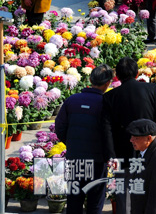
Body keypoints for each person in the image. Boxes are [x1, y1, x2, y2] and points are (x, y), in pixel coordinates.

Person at [102, 57, 156, 214]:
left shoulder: (110, 96)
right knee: (150, 191)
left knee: (124, 195)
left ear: (118, 76)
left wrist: (112, 155)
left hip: (122, 153)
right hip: (148, 150)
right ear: (137, 73)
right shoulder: (151, 89)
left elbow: (106, 128)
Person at [55, 65, 114, 214]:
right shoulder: (106, 103)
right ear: (108, 83)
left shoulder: (72, 100)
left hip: (75, 159)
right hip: (97, 161)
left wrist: (72, 143)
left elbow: (60, 127)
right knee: (95, 202)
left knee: (74, 201)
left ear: (90, 79)